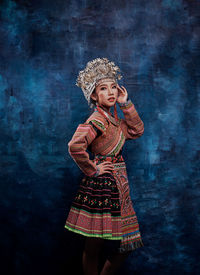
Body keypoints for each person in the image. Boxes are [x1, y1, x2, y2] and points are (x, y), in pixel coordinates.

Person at [64, 58, 144, 275]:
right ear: (93, 95)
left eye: (112, 87)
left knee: (128, 242)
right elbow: (75, 146)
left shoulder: (116, 122)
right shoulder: (96, 120)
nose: (110, 92)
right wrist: (93, 169)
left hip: (120, 185)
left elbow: (136, 131)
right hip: (102, 185)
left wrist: (125, 103)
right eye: (103, 88)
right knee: (94, 245)